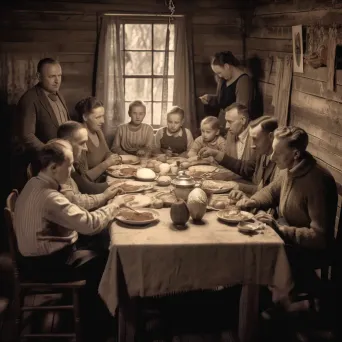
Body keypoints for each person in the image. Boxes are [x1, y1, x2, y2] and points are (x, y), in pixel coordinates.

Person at [13, 139, 125, 341]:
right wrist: (115, 204)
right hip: (45, 266)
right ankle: (97, 326)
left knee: (100, 242)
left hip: (32, 258)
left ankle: (94, 310)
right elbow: (90, 224)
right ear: (54, 168)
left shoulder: (33, 183)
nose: (72, 169)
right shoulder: (50, 197)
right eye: (70, 164)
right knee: (108, 258)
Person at [237, 127, 337, 310]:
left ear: (296, 153)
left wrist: (282, 230)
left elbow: (320, 238)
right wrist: (251, 202)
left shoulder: (317, 182)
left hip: (309, 249)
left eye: (278, 152)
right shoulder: (289, 169)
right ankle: (251, 297)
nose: (272, 156)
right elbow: (270, 192)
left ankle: (269, 304)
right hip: (287, 236)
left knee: (256, 252)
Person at [13, 58, 69, 190]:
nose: (57, 81)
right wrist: (50, 154)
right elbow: (27, 136)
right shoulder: (29, 99)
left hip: (62, 161)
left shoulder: (59, 95)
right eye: (51, 76)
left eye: (59, 76)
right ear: (38, 76)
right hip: (43, 165)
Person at [199, 115, 279, 197]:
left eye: (255, 139)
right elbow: (246, 168)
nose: (252, 145)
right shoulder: (261, 151)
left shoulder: (280, 163)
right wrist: (216, 153)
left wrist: (238, 186)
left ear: (271, 137)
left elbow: (268, 193)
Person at [199, 51, 253, 135]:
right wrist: (210, 98)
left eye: (219, 72)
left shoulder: (243, 81)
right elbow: (222, 100)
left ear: (227, 66)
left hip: (234, 125)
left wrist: (229, 123)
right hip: (222, 121)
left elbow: (242, 108)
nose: (219, 75)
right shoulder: (223, 79)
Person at [75, 97, 121, 182]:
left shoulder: (98, 131)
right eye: (98, 117)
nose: (103, 121)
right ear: (85, 117)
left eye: (103, 116)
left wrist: (113, 158)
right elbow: (84, 178)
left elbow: (106, 152)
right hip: (92, 187)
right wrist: (107, 163)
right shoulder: (80, 138)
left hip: (105, 178)